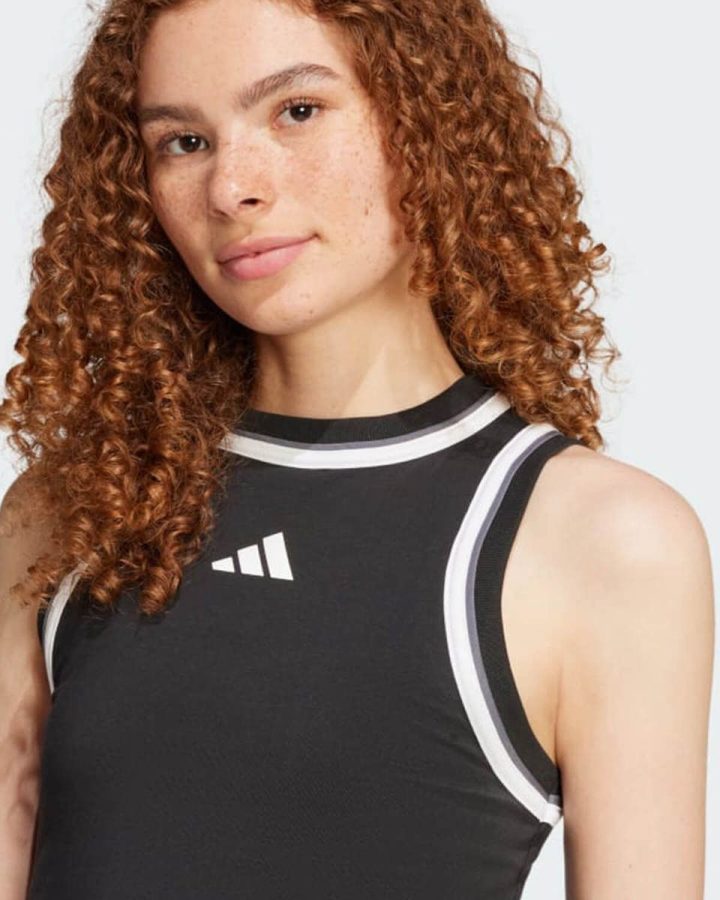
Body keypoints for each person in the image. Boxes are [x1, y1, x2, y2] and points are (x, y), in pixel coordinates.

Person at [0, 0, 713, 897]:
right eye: (183, 142)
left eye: (297, 111)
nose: (231, 188)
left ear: (428, 119)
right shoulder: (74, 512)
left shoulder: (601, 542)